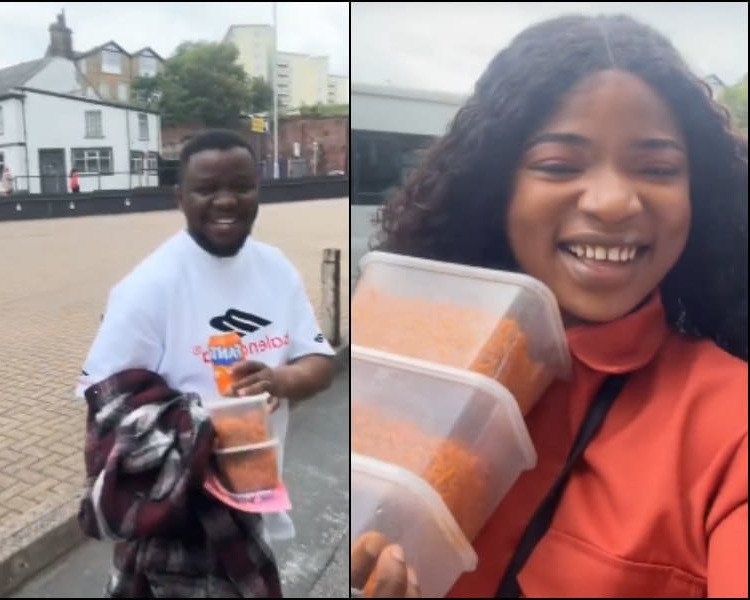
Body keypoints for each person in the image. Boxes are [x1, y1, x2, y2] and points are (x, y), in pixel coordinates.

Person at [353, 14, 747, 598]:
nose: (613, 203)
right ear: (495, 187)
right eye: (560, 165)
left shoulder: (731, 427)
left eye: (659, 169)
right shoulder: (394, 356)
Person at [75, 129, 338, 596]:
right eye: (207, 189)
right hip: (179, 520)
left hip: (256, 500)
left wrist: (281, 379)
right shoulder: (148, 288)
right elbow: (104, 410)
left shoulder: (276, 270)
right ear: (180, 197)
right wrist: (194, 429)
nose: (226, 201)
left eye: (241, 186)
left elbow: (318, 359)